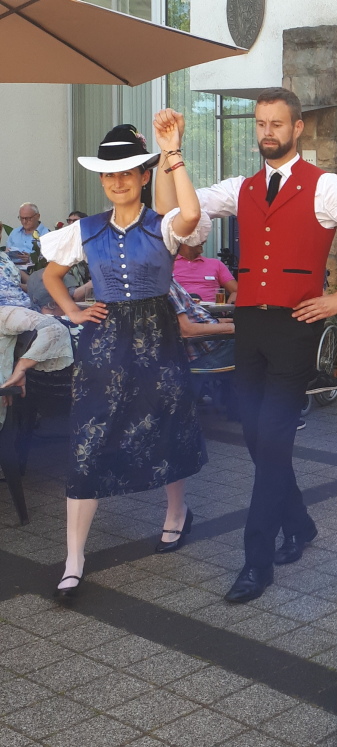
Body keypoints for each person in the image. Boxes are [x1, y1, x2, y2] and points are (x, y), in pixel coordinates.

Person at [154, 87, 337, 603]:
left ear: (297, 128)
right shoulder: (242, 187)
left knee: (275, 440)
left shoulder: (324, 186)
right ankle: (302, 524)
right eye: (260, 124)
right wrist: (168, 153)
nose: (267, 132)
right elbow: (174, 212)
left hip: (293, 330)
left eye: (277, 124)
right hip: (249, 328)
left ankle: (255, 562)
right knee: (259, 441)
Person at [41, 120, 209, 598]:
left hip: (159, 339)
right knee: (88, 440)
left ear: (142, 176)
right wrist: (74, 311)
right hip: (104, 344)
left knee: (167, 425)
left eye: (128, 172)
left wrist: (172, 153)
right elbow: (53, 276)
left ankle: (176, 512)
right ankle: (74, 558)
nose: (118, 182)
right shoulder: (85, 231)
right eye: (109, 175)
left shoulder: (164, 226)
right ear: (101, 181)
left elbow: (192, 213)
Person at [167, 278, 236, 373]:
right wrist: (230, 328)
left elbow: (193, 319)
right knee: (255, 344)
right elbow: (186, 330)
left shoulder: (168, 282)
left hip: (212, 345)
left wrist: (221, 321)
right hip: (205, 356)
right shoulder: (166, 287)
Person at [173, 239, 238, 302]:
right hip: (181, 311)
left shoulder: (216, 264)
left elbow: (236, 291)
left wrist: (229, 307)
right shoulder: (169, 265)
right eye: (198, 237)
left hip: (213, 311)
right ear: (184, 240)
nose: (204, 241)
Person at [6, 203, 49, 270]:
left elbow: (49, 259)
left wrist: (31, 259)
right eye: (21, 218)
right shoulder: (15, 232)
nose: (24, 221)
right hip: (13, 272)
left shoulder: (46, 234)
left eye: (28, 218)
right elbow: (7, 253)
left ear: (38, 216)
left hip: (35, 272)